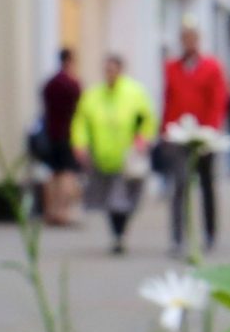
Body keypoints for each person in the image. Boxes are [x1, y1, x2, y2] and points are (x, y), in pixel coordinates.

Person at [73, 50, 158, 254]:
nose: (109, 73)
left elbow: (147, 118)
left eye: (112, 69)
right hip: (103, 155)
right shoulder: (93, 95)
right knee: (110, 200)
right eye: (106, 70)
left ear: (120, 70)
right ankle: (117, 234)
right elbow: (81, 121)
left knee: (123, 199)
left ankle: (120, 232)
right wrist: (80, 143)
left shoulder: (134, 93)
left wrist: (143, 138)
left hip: (127, 156)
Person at [160, 21, 230, 255]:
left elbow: (218, 101)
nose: (188, 42)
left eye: (192, 38)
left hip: (204, 136)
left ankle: (209, 234)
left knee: (207, 185)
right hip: (178, 135)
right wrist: (166, 130)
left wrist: (210, 131)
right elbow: (168, 100)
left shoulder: (211, 67)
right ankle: (177, 238)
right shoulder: (171, 67)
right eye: (185, 38)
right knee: (179, 185)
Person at [38, 47, 84, 226]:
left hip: (51, 133)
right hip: (68, 133)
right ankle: (63, 212)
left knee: (53, 173)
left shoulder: (50, 83)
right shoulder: (72, 85)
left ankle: (50, 211)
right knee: (67, 173)